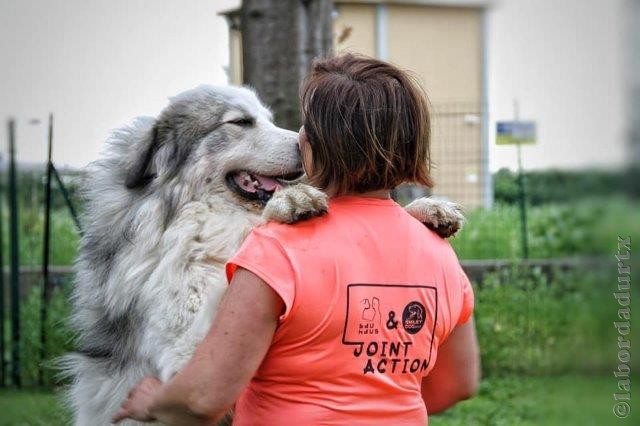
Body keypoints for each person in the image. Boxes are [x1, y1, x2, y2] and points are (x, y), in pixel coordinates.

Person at [114, 54, 480, 425]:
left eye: (306, 125)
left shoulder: (278, 249)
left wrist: (154, 402)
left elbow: (204, 399)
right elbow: (458, 384)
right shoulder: (440, 252)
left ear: (319, 144)